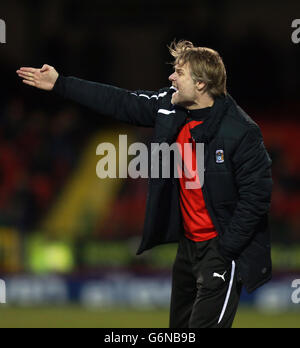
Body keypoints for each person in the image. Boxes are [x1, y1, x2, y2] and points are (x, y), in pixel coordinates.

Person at [16, 40, 273, 328]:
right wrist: (61, 84)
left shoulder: (240, 132)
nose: (171, 78)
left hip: (221, 249)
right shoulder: (171, 106)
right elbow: (121, 101)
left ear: (201, 84)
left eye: (179, 73)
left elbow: (257, 198)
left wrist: (224, 252)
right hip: (188, 249)